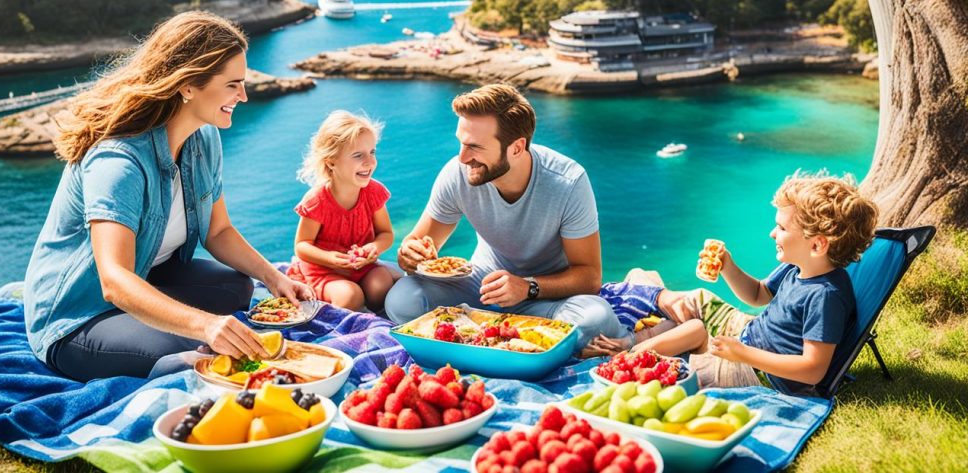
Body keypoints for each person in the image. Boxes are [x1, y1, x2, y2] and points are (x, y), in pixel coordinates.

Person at [24, 11, 313, 382]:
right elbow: (113, 279)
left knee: (239, 286)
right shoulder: (119, 160)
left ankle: (155, 321)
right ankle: (148, 336)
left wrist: (275, 279)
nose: (243, 95)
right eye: (232, 85)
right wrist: (206, 326)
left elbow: (219, 231)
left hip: (148, 276)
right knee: (177, 346)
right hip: (78, 315)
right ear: (188, 85)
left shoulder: (204, 137)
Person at [585, 173, 878, 396]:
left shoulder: (825, 297)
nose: (772, 234)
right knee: (694, 302)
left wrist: (742, 354)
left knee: (694, 332)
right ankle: (638, 339)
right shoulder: (798, 268)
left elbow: (812, 371)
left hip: (757, 373)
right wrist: (727, 265)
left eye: (782, 228)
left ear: (817, 245)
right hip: (748, 337)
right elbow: (757, 294)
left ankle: (626, 352)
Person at [384, 84, 626, 350]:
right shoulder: (458, 173)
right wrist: (409, 254)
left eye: (474, 147)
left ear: (516, 147)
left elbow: (590, 278)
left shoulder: (568, 183)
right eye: (461, 143)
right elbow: (420, 244)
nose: (462, 157)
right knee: (402, 299)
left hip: (544, 296)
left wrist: (527, 287)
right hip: (482, 285)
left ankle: (477, 332)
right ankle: (519, 338)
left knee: (597, 319)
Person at [286, 111, 396, 311]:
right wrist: (330, 258)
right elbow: (302, 246)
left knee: (381, 285)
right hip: (324, 271)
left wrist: (373, 249)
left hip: (362, 267)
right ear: (331, 162)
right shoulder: (317, 200)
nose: (370, 161)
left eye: (372, 152)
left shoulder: (374, 192)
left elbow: (386, 234)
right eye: (358, 155)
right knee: (350, 296)